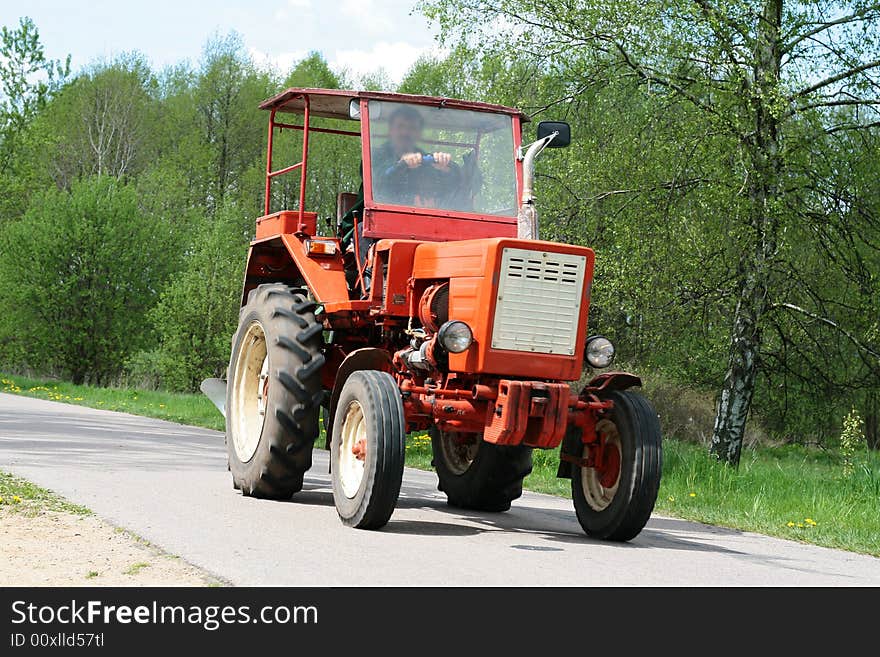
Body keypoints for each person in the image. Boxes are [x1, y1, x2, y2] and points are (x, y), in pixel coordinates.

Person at [371, 105, 460, 208]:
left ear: (419, 133)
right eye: (400, 126)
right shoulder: (374, 155)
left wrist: (446, 169)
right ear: (391, 130)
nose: (405, 132)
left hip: (419, 216)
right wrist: (400, 165)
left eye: (412, 128)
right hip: (376, 214)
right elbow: (376, 181)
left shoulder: (427, 161)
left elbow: (447, 190)